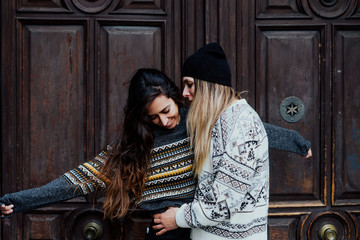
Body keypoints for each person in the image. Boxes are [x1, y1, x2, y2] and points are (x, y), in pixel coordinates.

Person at [1, 67, 310, 239]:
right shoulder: (135, 142)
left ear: (176, 97)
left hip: (204, 228)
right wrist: (21, 200)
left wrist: (297, 143)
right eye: (153, 117)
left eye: (166, 110)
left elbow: (253, 129)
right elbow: (81, 178)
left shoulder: (199, 121)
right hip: (165, 232)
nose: (164, 121)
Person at [153, 42, 308, 239]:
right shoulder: (219, 121)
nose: (184, 93)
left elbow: (223, 205)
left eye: (189, 84)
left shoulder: (241, 124)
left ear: (208, 84)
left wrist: (178, 218)